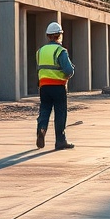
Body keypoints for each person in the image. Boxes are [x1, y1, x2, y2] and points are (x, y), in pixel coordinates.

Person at [36, 21, 75, 150]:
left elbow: (40, 69)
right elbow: (69, 70)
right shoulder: (60, 50)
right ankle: (60, 141)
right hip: (58, 87)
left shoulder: (40, 51)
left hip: (44, 87)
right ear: (59, 35)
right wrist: (67, 75)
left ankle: (41, 129)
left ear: (48, 36)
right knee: (60, 113)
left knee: (44, 110)